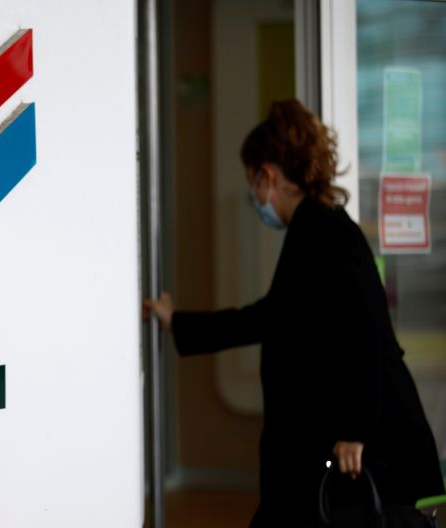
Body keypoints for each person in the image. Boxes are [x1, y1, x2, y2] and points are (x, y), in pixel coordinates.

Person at [143, 99, 444, 526]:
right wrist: (179, 321)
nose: (255, 198)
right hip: (317, 445)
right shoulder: (318, 228)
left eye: (252, 183)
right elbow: (271, 318)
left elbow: (365, 332)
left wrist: (354, 430)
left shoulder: (323, 232)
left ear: (267, 175)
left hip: (351, 448)